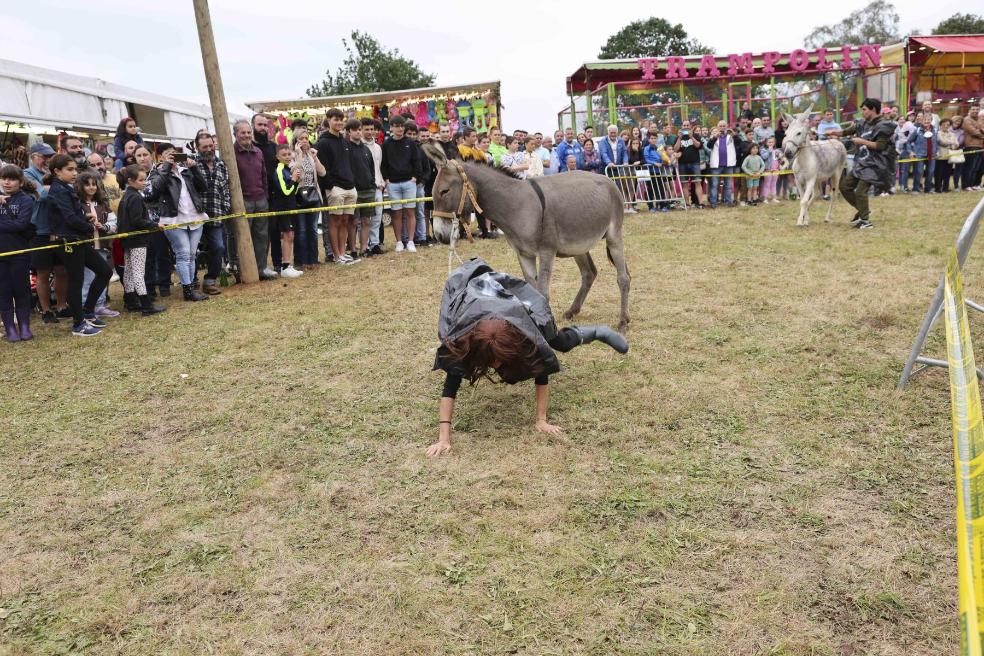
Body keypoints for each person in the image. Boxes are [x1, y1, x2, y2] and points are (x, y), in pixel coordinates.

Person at [426, 258, 629, 457]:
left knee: (559, 343)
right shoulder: (465, 341)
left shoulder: (524, 334)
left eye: (500, 359)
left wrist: (541, 420)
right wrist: (443, 438)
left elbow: (540, 368)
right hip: (473, 301)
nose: (496, 365)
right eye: (493, 359)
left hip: (513, 301)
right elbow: (450, 386)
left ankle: (597, 332)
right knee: (461, 364)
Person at [45, 154, 113, 336]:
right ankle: (78, 324)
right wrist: (89, 226)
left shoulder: (66, 189)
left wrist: (85, 218)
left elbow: (70, 216)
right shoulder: (58, 190)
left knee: (104, 271)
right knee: (76, 281)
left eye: (75, 169)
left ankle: (88, 312)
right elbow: (68, 218)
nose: (74, 173)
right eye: (70, 169)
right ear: (57, 171)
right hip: (67, 240)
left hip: (77, 238)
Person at [143, 143, 209, 301]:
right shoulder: (156, 172)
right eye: (167, 153)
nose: (172, 156)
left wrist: (194, 168)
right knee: (183, 253)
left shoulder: (185, 170)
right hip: (172, 218)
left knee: (192, 255)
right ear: (159, 157)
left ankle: (192, 286)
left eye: (174, 153)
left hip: (195, 217)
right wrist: (166, 166)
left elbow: (203, 186)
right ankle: (187, 291)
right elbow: (154, 191)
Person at [825, 98, 895, 230]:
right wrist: (833, 132)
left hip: (876, 163)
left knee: (861, 192)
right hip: (862, 162)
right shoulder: (862, 123)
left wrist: (862, 141)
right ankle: (863, 211)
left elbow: (880, 146)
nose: (862, 112)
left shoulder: (883, 125)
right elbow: (846, 131)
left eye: (864, 110)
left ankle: (866, 222)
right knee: (845, 187)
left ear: (873, 109)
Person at [23, 142, 69, 323]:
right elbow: (40, 195)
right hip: (39, 230)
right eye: (44, 156)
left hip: (58, 229)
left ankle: (62, 305)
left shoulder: (51, 173)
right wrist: (50, 188)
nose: (47, 160)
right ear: (33, 156)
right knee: (42, 272)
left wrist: (49, 188)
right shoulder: (27, 174)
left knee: (62, 270)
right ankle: (46, 310)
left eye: (50, 157)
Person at [116, 164, 165, 315]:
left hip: (128, 240)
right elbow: (137, 220)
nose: (144, 183)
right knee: (138, 272)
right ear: (130, 180)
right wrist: (155, 225)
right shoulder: (135, 197)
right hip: (137, 240)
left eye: (145, 180)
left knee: (129, 271)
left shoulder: (127, 196)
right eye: (141, 180)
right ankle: (146, 305)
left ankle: (130, 301)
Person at [315, 108, 359, 264]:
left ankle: (342, 253)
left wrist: (352, 182)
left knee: (345, 221)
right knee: (334, 221)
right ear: (328, 120)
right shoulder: (322, 142)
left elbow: (349, 165)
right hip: (335, 189)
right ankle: (336, 255)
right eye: (336, 119)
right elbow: (321, 169)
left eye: (341, 119)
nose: (339, 122)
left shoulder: (345, 141)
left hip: (349, 187)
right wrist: (330, 186)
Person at [233, 120, 275, 278]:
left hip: (261, 200)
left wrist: (265, 195)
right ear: (235, 134)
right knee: (242, 238)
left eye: (248, 132)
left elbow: (263, 175)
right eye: (242, 132)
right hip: (243, 201)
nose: (246, 135)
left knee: (262, 237)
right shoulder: (231, 153)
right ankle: (242, 271)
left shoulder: (258, 152)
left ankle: (261, 268)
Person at [0, 165, 37, 341]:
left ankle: (24, 326)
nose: (7, 182)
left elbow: (22, 224)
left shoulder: (26, 200)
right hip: (1, 255)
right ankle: (10, 329)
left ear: (20, 182)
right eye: (4, 178)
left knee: (21, 290)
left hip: (19, 253)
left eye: (12, 179)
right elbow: (14, 225)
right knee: (3, 291)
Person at [75, 170, 118, 317]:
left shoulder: (102, 204)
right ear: (80, 186)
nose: (91, 187)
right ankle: (86, 306)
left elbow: (113, 222)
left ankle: (100, 305)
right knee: (88, 278)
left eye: (94, 184)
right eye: (87, 185)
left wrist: (104, 227)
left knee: (102, 276)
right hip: (87, 247)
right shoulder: (77, 205)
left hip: (103, 246)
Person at [194, 133, 231, 293]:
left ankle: (210, 280)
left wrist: (225, 207)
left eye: (211, 146)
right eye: (205, 147)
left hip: (216, 213)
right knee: (190, 251)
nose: (209, 149)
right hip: (194, 216)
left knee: (219, 247)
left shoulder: (222, 164)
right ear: (197, 148)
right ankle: (190, 282)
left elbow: (226, 190)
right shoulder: (191, 164)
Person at [380, 115, 420, 253]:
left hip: (409, 182)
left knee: (410, 212)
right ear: (391, 127)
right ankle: (399, 242)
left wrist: (414, 177)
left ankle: (410, 241)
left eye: (402, 126)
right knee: (396, 213)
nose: (400, 129)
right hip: (393, 183)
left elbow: (416, 162)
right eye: (397, 126)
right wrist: (386, 180)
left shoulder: (410, 143)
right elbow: (383, 163)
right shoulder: (386, 144)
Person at [292, 126, 325, 268]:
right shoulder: (292, 155)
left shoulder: (311, 155)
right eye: (301, 139)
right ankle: (302, 260)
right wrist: (299, 155)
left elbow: (322, 172)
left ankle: (313, 259)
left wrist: (315, 158)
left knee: (312, 229)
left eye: (306, 138)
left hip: (313, 195)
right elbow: (296, 173)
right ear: (296, 141)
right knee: (302, 229)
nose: (305, 141)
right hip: (299, 196)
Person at [348, 118, 376, 258]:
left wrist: (372, 184)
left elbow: (371, 169)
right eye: (355, 130)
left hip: (368, 190)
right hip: (353, 191)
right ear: (349, 132)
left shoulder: (366, 149)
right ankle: (353, 249)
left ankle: (364, 248)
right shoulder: (346, 148)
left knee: (366, 221)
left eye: (359, 129)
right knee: (353, 221)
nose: (358, 132)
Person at [361, 119, 385, 255]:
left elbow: (378, 167)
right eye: (367, 129)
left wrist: (381, 183)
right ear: (361, 130)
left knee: (377, 217)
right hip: (365, 188)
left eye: (372, 129)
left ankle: (375, 243)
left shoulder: (378, 148)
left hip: (378, 187)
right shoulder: (359, 147)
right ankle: (365, 245)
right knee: (365, 219)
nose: (370, 132)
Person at [674, 121, 706, 207]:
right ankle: (687, 204)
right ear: (682, 126)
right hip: (682, 164)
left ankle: (701, 203)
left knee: (697, 182)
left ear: (691, 126)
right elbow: (675, 149)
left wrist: (691, 137)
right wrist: (679, 138)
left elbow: (698, 146)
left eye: (687, 125)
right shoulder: (678, 137)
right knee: (684, 183)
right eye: (684, 125)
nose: (686, 127)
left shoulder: (696, 135)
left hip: (694, 163)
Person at [707, 121, 738, 208]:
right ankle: (713, 202)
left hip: (728, 164)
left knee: (728, 184)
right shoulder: (713, 137)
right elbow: (709, 146)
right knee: (714, 184)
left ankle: (728, 202)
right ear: (717, 127)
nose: (722, 127)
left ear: (727, 126)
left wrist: (734, 135)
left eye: (724, 126)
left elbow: (739, 143)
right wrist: (714, 138)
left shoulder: (731, 136)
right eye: (720, 126)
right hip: (716, 165)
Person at [906, 116, 937, 194]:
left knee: (930, 172)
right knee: (919, 172)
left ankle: (928, 189)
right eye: (925, 119)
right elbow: (908, 142)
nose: (927, 121)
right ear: (922, 121)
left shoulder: (935, 130)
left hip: (932, 155)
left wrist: (937, 151)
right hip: (919, 154)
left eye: (928, 119)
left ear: (931, 121)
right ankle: (915, 189)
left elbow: (937, 142)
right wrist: (911, 152)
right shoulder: (918, 130)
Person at [962, 107, 983, 191]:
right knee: (969, 167)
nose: (975, 111)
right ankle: (966, 185)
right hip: (970, 146)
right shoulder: (967, 120)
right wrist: (981, 133)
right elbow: (973, 131)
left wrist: (980, 130)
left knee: (977, 167)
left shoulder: (979, 120)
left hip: (980, 146)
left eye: (977, 110)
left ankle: (974, 184)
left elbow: (981, 129)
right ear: (969, 111)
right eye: (973, 109)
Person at [935, 118, 958, 193]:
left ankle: (945, 188)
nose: (946, 126)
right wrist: (951, 143)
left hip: (949, 156)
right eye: (944, 124)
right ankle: (938, 188)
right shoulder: (937, 133)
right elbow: (942, 141)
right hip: (940, 156)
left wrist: (951, 144)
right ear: (941, 125)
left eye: (948, 124)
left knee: (947, 173)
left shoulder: (952, 134)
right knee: (939, 174)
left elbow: (957, 144)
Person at [761, 136, 782, 203]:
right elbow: (764, 157)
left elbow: (779, 159)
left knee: (774, 184)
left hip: (775, 170)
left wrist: (779, 166)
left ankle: (774, 197)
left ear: (774, 143)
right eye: (769, 142)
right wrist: (769, 151)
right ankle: (765, 198)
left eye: (772, 142)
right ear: (766, 143)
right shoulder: (763, 150)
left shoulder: (777, 150)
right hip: (768, 170)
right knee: (767, 184)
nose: (771, 143)